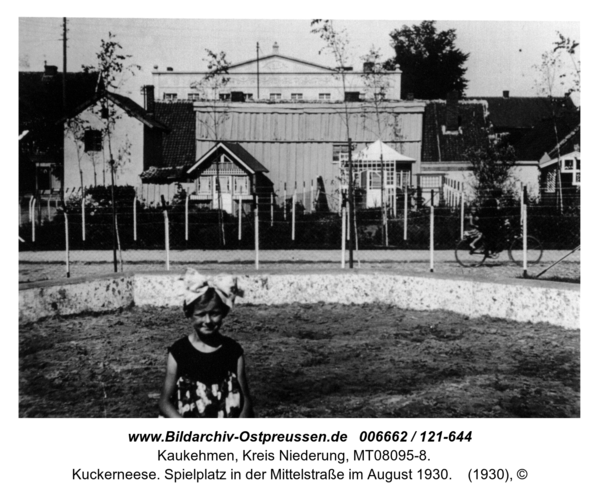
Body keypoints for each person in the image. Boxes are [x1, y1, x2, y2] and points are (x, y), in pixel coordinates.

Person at [159, 270, 253, 418]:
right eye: (201, 314)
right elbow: (164, 402)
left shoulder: (233, 351)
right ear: (189, 313)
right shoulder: (179, 352)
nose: (208, 321)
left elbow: (246, 400)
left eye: (214, 313)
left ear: (224, 313)